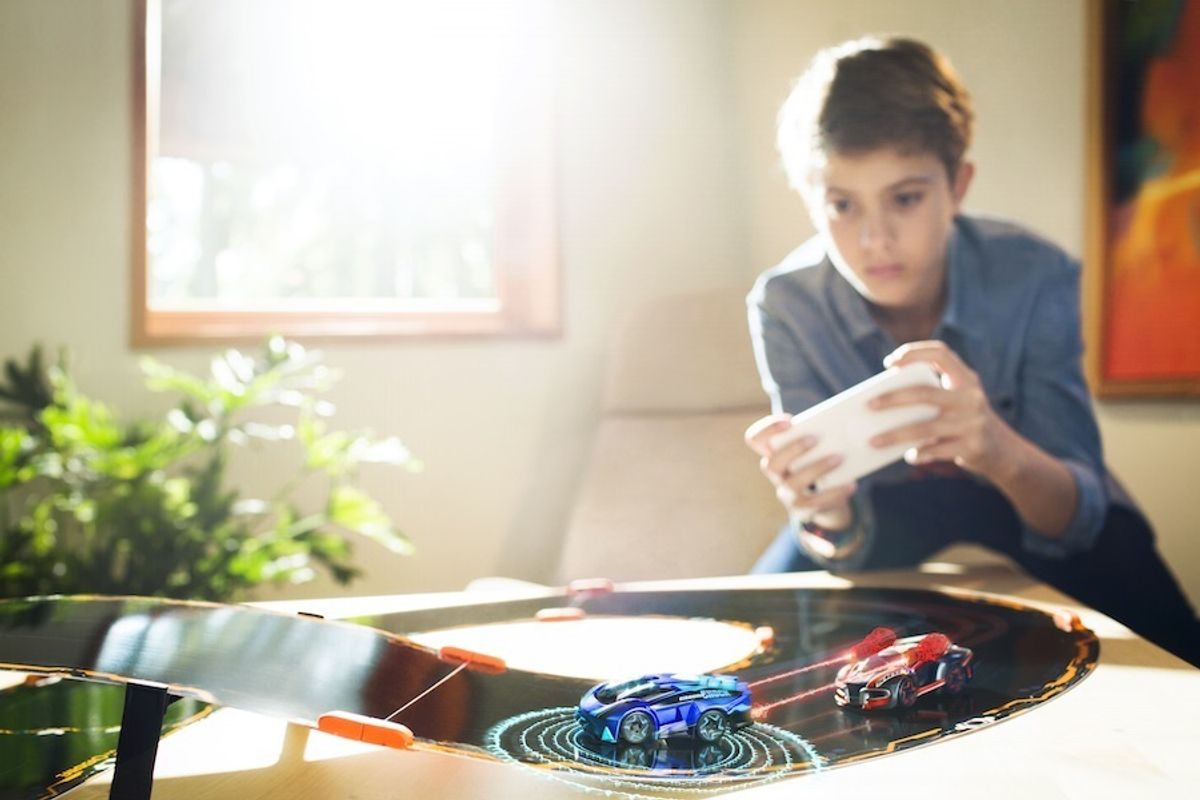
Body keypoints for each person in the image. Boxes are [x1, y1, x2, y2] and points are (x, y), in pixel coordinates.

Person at [743, 36, 1200, 667]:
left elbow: (1079, 516)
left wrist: (991, 444)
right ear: (810, 200)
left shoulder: (1035, 274)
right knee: (754, 647)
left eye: (905, 198)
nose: (875, 239)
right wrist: (823, 511)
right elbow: (835, 533)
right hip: (884, 519)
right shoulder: (785, 305)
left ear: (958, 185)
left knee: (1174, 645)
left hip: (1029, 496)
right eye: (842, 205)